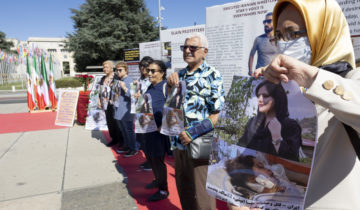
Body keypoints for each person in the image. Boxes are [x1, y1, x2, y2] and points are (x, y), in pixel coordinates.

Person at [252, 0, 360, 209]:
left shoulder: (351, 79)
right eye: (280, 36)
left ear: (325, 31)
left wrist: (311, 77)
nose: (284, 44)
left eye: (293, 34)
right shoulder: (282, 90)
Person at [167, 32, 225, 210]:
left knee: (203, 198)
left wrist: (192, 132)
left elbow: (219, 113)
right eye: (184, 47)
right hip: (178, 143)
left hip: (199, 143)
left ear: (204, 51)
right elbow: (171, 106)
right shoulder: (179, 75)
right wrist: (169, 86)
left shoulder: (212, 75)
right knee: (184, 191)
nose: (187, 51)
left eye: (192, 47)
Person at [237, 80, 302, 161]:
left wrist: (276, 136)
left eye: (265, 96)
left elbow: (292, 158)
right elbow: (241, 146)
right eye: (258, 96)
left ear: (277, 98)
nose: (260, 100)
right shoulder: (252, 122)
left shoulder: (290, 126)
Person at [143, 60, 171, 201]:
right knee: (150, 157)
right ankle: (157, 180)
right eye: (148, 70)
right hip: (148, 128)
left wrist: (164, 125)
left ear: (162, 73)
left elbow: (173, 108)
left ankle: (163, 190)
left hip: (159, 131)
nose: (149, 73)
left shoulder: (166, 86)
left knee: (157, 159)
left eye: (153, 71)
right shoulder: (150, 86)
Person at [113, 61, 139, 157]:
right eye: (117, 70)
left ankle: (133, 148)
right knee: (123, 129)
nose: (118, 72)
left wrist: (124, 88)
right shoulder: (119, 81)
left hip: (126, 110)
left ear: (126, 70)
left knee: (128, 130)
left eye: (120, 70)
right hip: (119, 109)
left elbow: (133, 97)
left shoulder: (129, 80)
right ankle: (127, 145)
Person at [98, 60, 123, 147]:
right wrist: (99, 101)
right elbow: (100, 91)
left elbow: (121, 90)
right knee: (110, 122)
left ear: (112, 68)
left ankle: (121, 140)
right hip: (105, 103)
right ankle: (114, 139)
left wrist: (115, 99)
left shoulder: (117, 77)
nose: (104, 69)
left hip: (115, 103)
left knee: (117, 122)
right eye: (103, 67)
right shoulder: (102, 79)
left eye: (106, 67)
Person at [135, 56, 153, 171]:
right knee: (142, 139)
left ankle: (151, 162)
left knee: (148, 139)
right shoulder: (140, 79)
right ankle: (148, 159)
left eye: (145, 66)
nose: (142, 68)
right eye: (141, 65)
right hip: (140, 111)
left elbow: (153, 96)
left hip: (148, 113)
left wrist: (141, 96)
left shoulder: (152, 80)